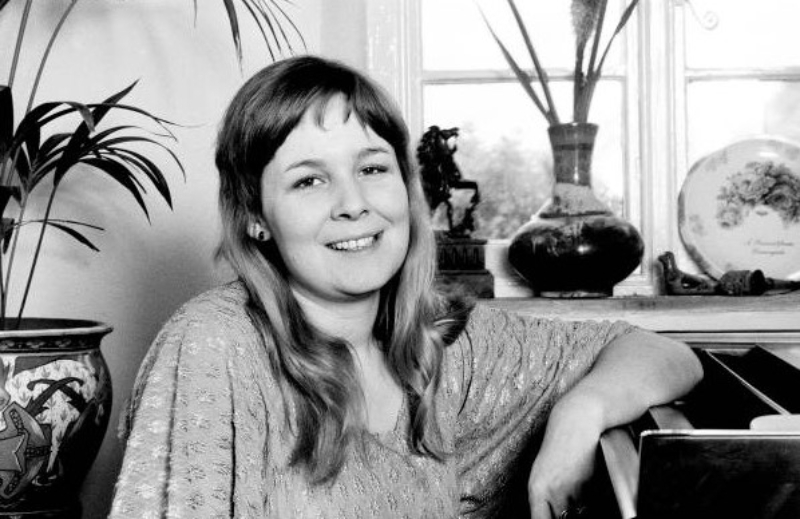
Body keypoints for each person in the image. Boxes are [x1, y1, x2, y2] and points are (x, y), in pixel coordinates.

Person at [109, 55, 702, 519]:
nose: (354, 205)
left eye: (371, 169)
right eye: (310, 180)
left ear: (407, 188)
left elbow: (666, 354)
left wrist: (582, 412)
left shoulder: (446, 345)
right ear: (254, 217)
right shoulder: (215, 345)